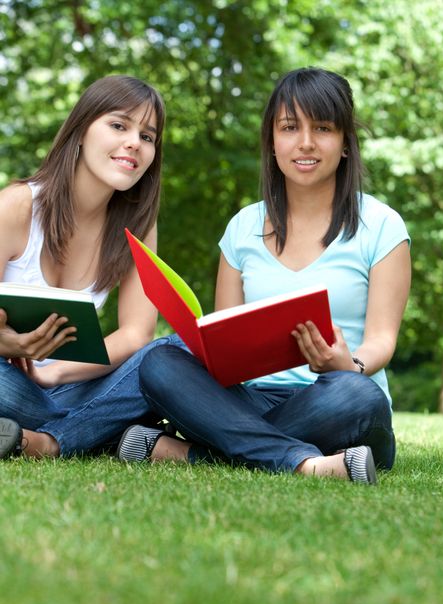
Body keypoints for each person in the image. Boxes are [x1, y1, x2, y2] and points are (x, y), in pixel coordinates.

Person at [117, 67, 411, 485]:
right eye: (290, 127)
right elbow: (228, 338)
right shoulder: (242, 228)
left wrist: (350, 365)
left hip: (337, 394)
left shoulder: (382, 226)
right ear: (272, 141)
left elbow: (383, 338)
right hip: (250, 398)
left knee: (358, 397)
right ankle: (306, 462)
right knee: (159, 362)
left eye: (322, 128)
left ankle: (200, 454)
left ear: (345, 143)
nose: (305, 143)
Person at [0, 74, 166, 459]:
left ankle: (45, 440)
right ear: (80, 131)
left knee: (171, 355)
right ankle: (107, 429)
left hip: (66, 383)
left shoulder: (138, 225)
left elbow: (137, 334)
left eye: (147, 136)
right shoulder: (16, 206)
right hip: (8, 376)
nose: (133, 143)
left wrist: (53, 372)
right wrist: (7, 343)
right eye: (119, 125)